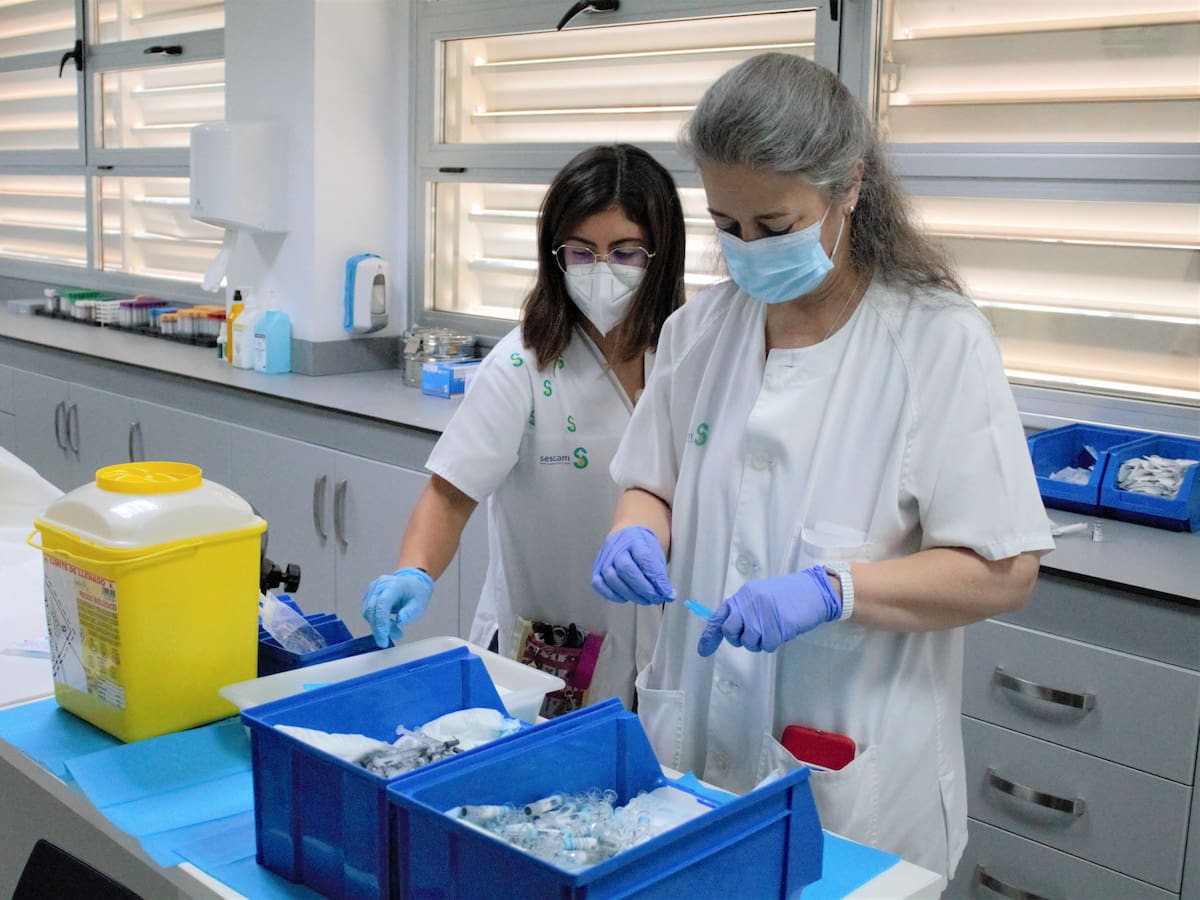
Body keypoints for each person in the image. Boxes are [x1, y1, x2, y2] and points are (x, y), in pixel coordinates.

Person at [590, 54, 1054, 879]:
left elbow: (1003, 571)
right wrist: (636, 531)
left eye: (775, 227)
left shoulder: (936, 341)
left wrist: (835, 590)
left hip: (854, 783)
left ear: (849, 188)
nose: (748, 249)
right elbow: (650, 482)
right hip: (692, 756)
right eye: (727, 225)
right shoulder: (701, 332)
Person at [362, 144, 686, 713]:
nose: (601, 270)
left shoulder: (688, 356)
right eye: (581, 252)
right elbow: (450, 493)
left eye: (624, 252)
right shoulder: (523, 365)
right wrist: (413, 571)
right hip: (554, 651)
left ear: (661, 254)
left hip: (669, 651)